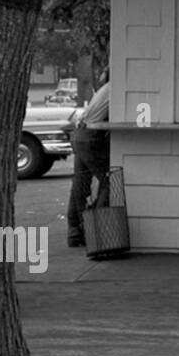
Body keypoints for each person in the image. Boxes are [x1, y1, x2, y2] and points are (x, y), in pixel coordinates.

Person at [66, 69, 111, 248]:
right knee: (109, 180)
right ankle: (97, 228)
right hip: (92, 137)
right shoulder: (119, 89)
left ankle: (74, 230)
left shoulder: (104, 89)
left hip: (79, 134)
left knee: (80, 182)